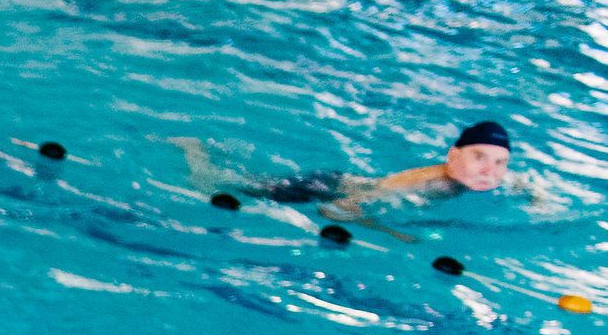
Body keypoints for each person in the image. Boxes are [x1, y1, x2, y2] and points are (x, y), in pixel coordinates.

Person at [207, 120, 514, 216]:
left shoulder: (481, 176)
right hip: (328, 189)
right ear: (452, 156)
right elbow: (335, 209)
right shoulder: (424, 183)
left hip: (348, 183)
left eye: (500, 162)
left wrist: (535, 195)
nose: (490, 170)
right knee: (231, 186)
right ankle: (196, 152)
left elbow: (518, 179)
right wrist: (391, 234)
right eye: (479, 157)